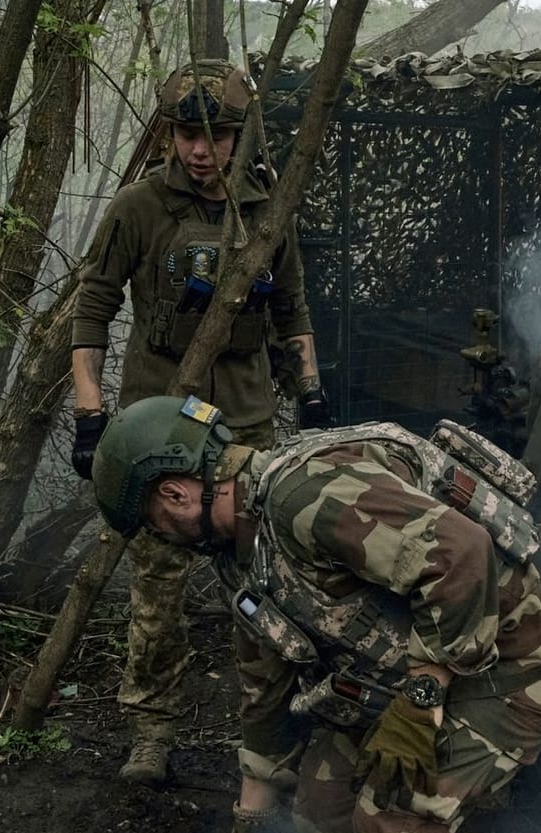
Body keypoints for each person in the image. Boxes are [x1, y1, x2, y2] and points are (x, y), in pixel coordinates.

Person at [89, 396, 541, 833]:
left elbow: (460, 554)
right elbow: (265, 676)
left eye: (154, 523)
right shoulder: (240, 552)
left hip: (519, 669)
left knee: (393, 826)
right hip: (421, 678)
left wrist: (421, 703)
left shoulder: (306, 495)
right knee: (322, 807)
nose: (161, 535)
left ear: (174, 492)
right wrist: (252, 813)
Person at [70, 59, 333, 784]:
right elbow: (93, 306)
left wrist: (308, 387)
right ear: (169, 133)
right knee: (157, 584)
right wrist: (90, 413)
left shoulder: (270, 208)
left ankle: (273, 726)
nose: (199, 149)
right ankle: (152, 729)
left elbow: (292, 311)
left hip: (245, 425)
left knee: (266, 579)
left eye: (215, 135)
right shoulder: (140, 207)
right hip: (157, 433)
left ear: (239, 136)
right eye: (187, 132)